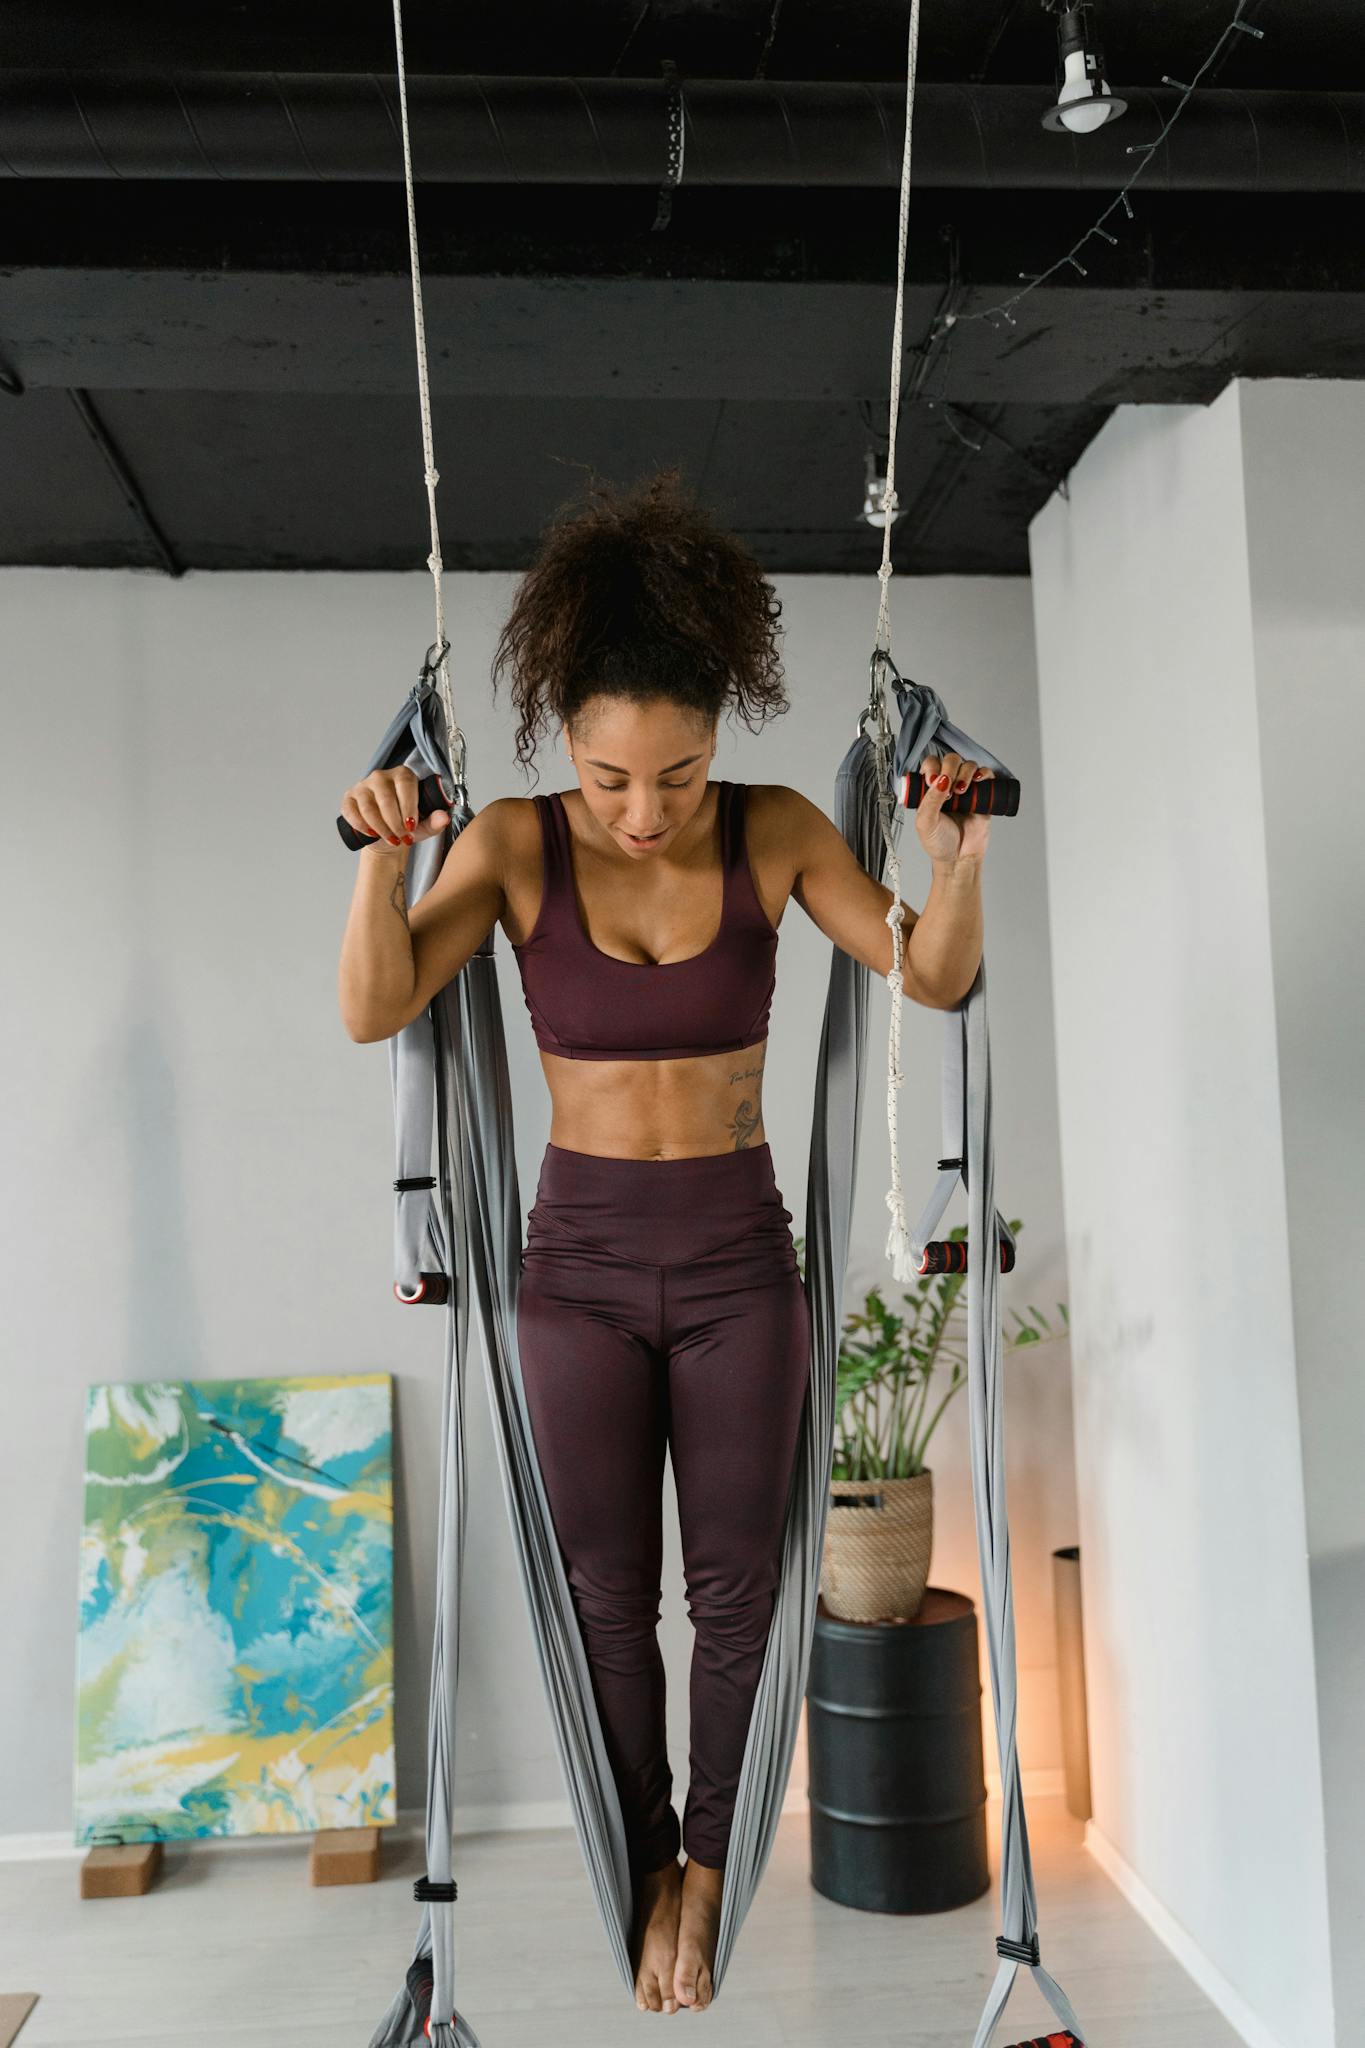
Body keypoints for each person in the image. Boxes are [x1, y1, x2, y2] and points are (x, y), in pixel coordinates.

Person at [337, 468, 991, 2018]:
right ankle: (633, 1866)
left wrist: (956, 851)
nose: (643, 810)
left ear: (722, 738)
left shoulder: (767, 834)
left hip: (731, 1264)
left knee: (739, 1596)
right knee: (597, 1598)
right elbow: (374, 1007)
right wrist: (383, 850)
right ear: (564, 737)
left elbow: (932, 979)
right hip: (568, 1270)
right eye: (614, 775)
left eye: (678, 774)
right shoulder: (505, 844)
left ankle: (707, 1867)